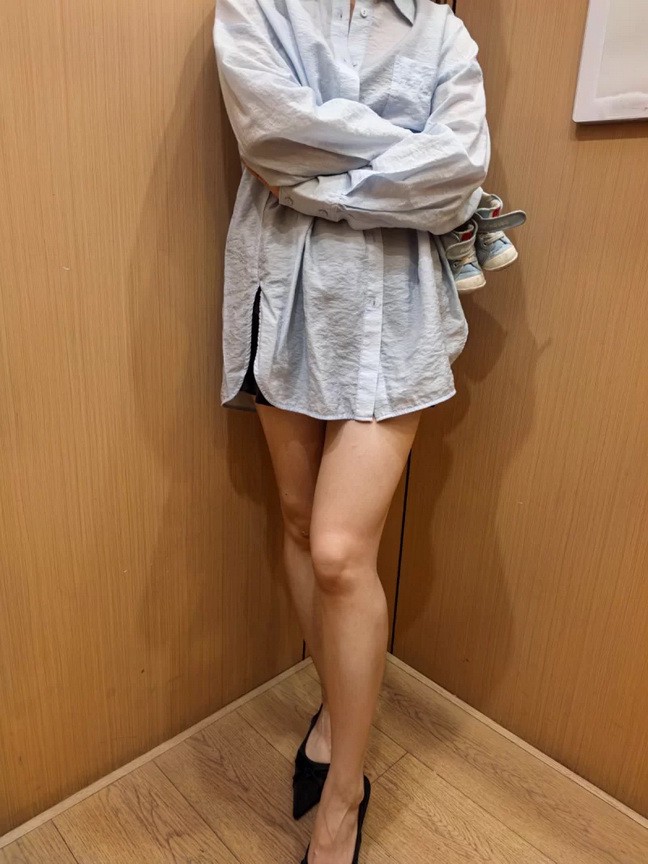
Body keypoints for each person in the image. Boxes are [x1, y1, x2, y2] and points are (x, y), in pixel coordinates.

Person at [213, 1, 490, 862]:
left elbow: (458, 176)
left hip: (395, 313)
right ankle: (335, 713)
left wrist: (317, 183)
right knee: (299, 522)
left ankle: (345, 794)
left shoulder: (443, 35)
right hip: (281, 298)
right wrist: (401, 157)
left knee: (339, 550)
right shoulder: (257, 9)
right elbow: (269, 137)